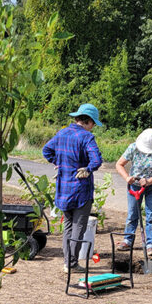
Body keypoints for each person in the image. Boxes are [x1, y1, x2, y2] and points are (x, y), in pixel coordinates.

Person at [42, 102, 103, 271]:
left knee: (68, 225)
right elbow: (96, 160)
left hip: (63, 188)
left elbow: (46, 151)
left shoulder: (61, 133)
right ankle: (72, 263)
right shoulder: (86, 137)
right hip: (81, 190)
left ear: (77, 118)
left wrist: (58, 163)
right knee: (78, 227)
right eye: (93, 124)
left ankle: (67, 262)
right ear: (89, 122)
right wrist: (88, 169)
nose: (92, 128)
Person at [115, 128, 152, 259]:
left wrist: (149, 181)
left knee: (151, 215)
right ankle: (128, 240)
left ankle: (151, 244)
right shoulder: (133, 148)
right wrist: (128, 177)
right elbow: (119, 164)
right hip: (135, 186)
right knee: (133, 212)